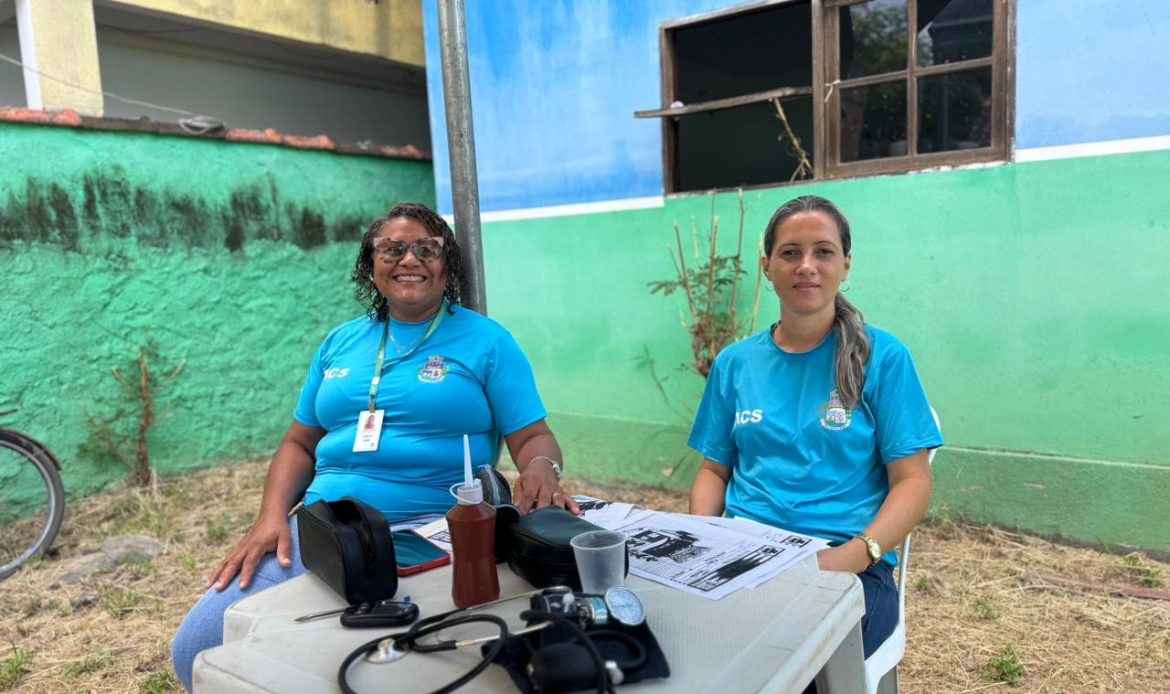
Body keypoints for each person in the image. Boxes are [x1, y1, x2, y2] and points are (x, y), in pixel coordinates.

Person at [171, 201, 577, 691]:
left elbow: (532, 437)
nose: (409, 259)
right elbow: (299, 443)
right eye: (392, 249)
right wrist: (270, 517)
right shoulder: (339, 343)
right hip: (325, 529)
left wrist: (541, 467)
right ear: (371, 264)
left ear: (448, 264)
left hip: (430, 532)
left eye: (426, 248)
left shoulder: (487, 341)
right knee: (197, 648)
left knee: (371, 666)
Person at [688, 195, 942, 658]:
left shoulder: (882, 358)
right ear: (767, 266)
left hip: (849, 563)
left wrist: (854, 555)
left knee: (781, 664)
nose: (806, 265)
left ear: (845, 265)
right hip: (744, 556)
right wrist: (707, 539)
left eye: (823, 251)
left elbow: (912, 482)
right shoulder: (735, 364)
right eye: (790, 252)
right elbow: (713, 470)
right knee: (671, 641)